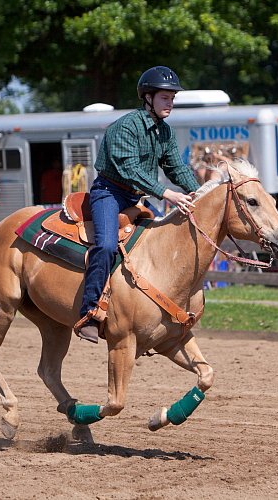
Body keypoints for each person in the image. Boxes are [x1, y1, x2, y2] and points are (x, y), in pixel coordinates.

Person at [75, 65, 201, 343]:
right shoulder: (125, 127)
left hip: (135, 197)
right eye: (165, 98)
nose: (170, 103)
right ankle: (90, 312)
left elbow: (176, 168)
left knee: (165, 242)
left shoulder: (165, 132)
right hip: (109, 193)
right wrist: (166, 194)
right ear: (148, 97)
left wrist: (200, 194)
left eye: (172, 98)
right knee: (106, 245)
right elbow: (129, 169)